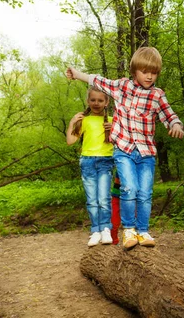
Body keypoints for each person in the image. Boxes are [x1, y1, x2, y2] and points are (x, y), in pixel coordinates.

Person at [66, 47, 184, 250]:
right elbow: (98, 81)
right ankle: (129, 230)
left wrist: (176, 125)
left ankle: (143, 230)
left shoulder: (157, 95)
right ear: (134, 71)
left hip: (146, 152)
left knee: (145, 192)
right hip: (124, 150)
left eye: (154, 72)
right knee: (128, 188)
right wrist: (77, 74)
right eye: (144, 71)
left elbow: (169, 115)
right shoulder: (122, 87)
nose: (149, 76)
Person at [66, 86, 114, 247]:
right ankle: (95, 231)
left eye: (100, 100)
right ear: (88, 101)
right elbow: (70, 141)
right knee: (92, 199)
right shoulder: (84, 120)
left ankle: (106, 228)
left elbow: (122, 142)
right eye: (93, 100)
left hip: (105, 161)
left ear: (106, 102)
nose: (96, 103)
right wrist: (73, 122)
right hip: (87, 162)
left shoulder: (112, 120)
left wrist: (113, 131)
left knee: (103, 198)